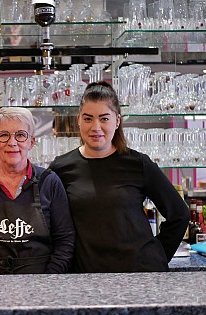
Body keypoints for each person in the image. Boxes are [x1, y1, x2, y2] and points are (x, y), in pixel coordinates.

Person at [49, 81, 190, 273]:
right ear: (78, 120)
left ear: (117, 121)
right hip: (85, 278)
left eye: (104, 119)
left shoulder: (138, 163)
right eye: (88, 118)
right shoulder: (61, 167)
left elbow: (180, 214)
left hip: (138, 275)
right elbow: (50, 225)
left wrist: (156, 256)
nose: (95, 127)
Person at [0, 107, 75, 275]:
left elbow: (65, 241)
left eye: (20, 135)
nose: (12, 143)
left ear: (31, 142)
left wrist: (48, 281)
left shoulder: (49, 182)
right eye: (4, 135)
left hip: (40, 283)